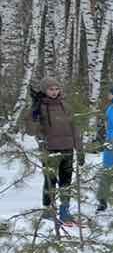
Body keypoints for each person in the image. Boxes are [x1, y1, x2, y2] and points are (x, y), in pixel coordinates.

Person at [29, 78, 80, 221]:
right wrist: (34, 111)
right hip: (49, 149)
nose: (54, 92)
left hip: (67, 148)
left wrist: (79, 149)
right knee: (50, 180)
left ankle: (65, 210)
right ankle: (48, 210)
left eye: (56, 88)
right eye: (51, 89)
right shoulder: (40, 106)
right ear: (45, 90)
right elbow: (32, 129)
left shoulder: (66, 106)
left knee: (66, 181)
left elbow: (74, 127)